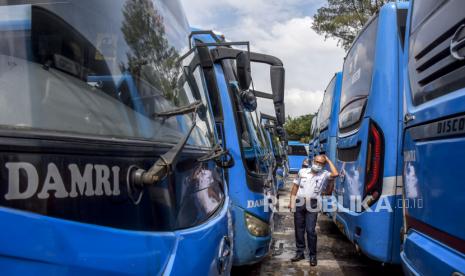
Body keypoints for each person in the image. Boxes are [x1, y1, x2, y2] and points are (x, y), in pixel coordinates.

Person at [288, 154, 338, 266]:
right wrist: (291, 201)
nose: (318, 164)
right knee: (299, 229)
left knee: (310, 230)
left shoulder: (324, 174)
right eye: (316, 162)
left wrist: (328, 159)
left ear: (324, 165)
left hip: (313, 204)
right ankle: (300, 253)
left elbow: (336, 174)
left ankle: (312, 255)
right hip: (300, 202)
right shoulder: (302, 171)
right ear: (313, 161)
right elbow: (295, 187)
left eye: (321, 163)